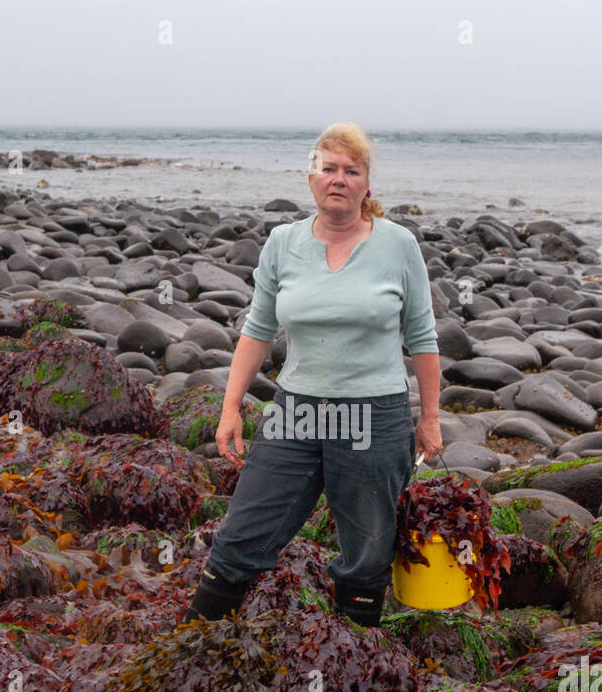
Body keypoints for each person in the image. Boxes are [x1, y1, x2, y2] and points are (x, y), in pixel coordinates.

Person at [180, 122, 442, 629]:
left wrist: (430, 419)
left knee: (366, 553)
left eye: (351, 170)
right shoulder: (283, 242)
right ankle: (195, 647)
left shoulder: (398, 245)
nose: (338, 179)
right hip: (298, 412)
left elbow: (424, 340)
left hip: (376, 414)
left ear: (367, 185)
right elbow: (257, 329)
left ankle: (353, 662)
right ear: (311, 179)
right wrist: (231, 405)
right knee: (240, 535)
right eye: (329, 169)